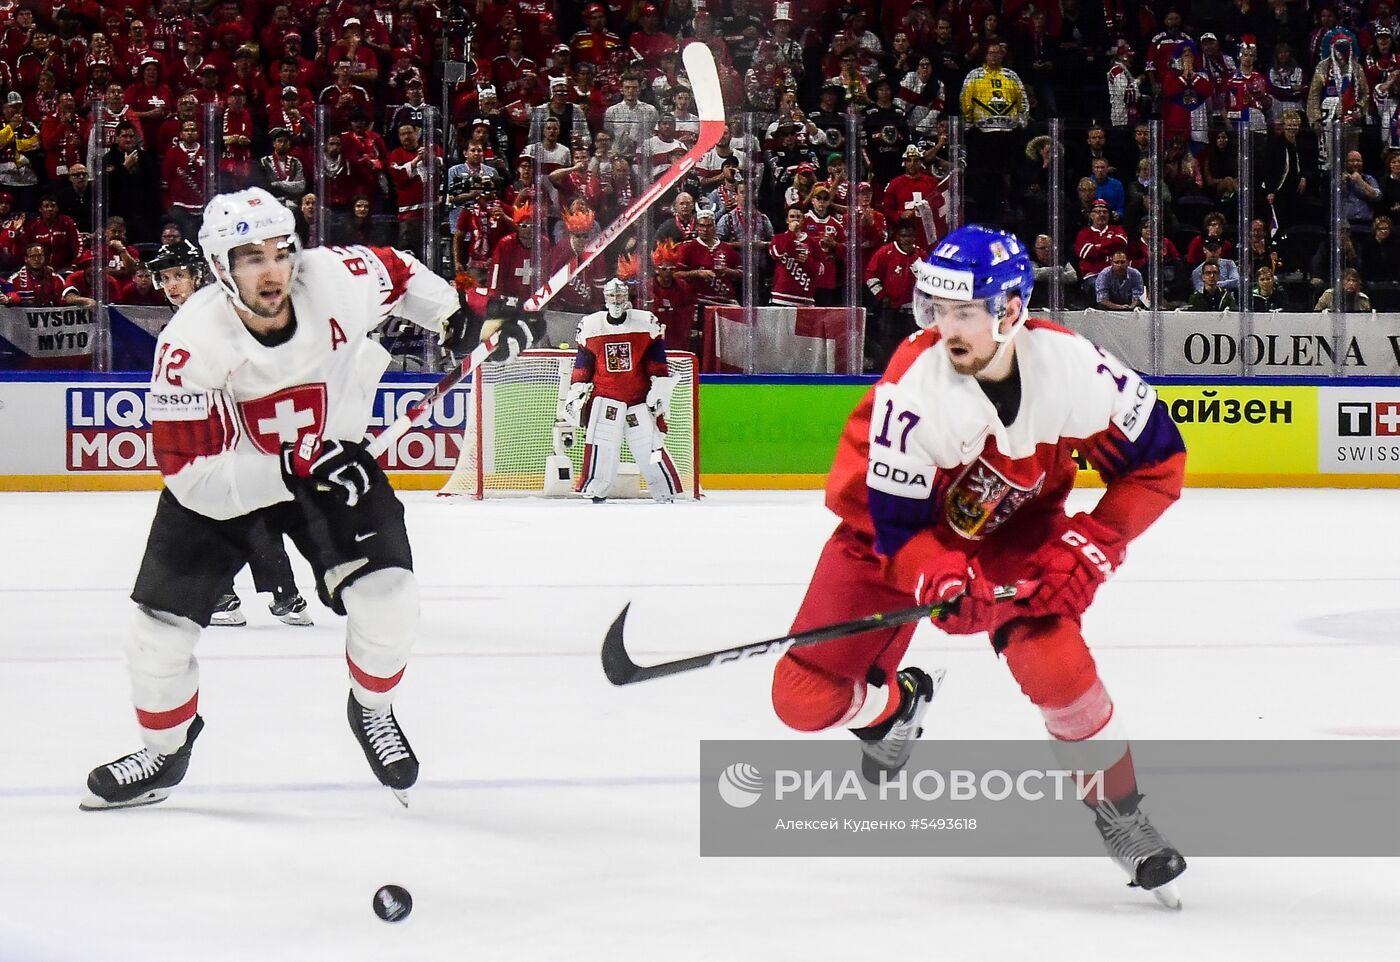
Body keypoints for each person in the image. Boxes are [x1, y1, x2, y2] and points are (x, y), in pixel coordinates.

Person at [80, 186, 539, 811]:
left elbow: (402, 274)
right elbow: (185, 471)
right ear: (220, 268)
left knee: (391, 600)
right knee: (154, 635)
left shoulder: (337, 278)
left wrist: (466, 316)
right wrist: (291, 466)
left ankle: (372, 708)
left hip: (332, 467)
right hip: (228, 478)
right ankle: (164, 751)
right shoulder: (190, 343)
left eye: (280, 250)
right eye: (250, 258)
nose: (272, 270)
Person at [769, 224, 1187, 903]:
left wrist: (1095, 541)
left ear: (1011, 311)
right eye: (936, 308)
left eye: (963, 312)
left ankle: (1121, 811)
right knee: (802, 701)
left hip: (1011, 528)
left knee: (1056, 665)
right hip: (884, 534)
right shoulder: (916, 393)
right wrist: (936, 572)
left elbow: (1161, 465)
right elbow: (898, 529)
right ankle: (893, 709)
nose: (945, 327)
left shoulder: (1073, 368)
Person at [145, 238, 316, 628]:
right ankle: (257, 595)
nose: (172, 285)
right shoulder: (191, 320)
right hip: (207, 436)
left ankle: (268, 594)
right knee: (229, 511)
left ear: (199, 275)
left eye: (179, 275)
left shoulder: (220, 315)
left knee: (234, 510)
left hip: (230, 434)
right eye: (166, 277)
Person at [561, 278, 683, 503]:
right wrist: (576, 390)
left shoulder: (645, 322)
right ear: (604, 299)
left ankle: (665, 490)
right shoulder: (590, 325)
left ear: (627, 298)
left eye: (619, 296)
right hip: (605, 398)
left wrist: (660, 386)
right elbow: (583, 364)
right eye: (611, 296)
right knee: (601, 446)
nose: (616, 301)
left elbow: (656, 360)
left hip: (638, 398)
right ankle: (595, 489)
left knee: (650, 446)